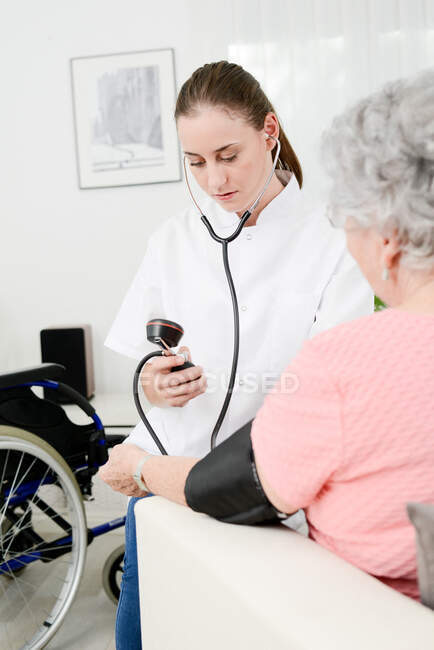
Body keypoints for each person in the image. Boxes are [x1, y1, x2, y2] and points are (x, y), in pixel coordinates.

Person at [100, 67, 434, 607]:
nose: (214, 180)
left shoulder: (335, 237)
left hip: (274, 503)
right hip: (164, 487)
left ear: (269, 132)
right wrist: (154, 382)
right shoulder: (173, 239)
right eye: (196, 163)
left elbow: (344, 379)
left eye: (229, 156)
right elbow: (141, 360)